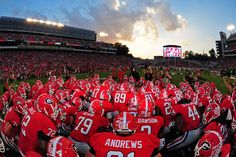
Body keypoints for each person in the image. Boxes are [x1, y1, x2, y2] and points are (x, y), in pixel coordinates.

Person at [86, 112, 161, 157]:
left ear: (114, 127)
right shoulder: (146, 140)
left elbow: (89, 155)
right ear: (134, 128)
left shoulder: (101, 138)